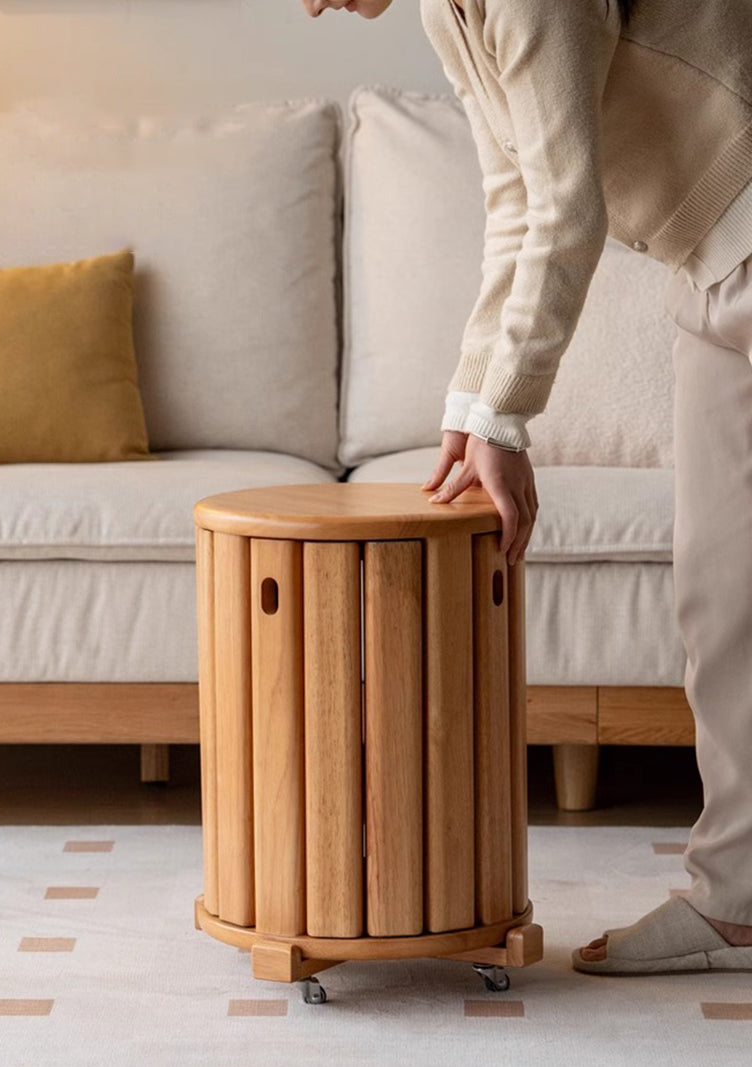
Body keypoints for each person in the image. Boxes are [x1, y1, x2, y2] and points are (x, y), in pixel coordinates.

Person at [302, 0, 752, 977]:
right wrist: (469, 411)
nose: (309, 6)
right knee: (720, 598)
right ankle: (737, 904)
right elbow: (512, 199)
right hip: (707, 270)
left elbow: (568, 204)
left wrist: (507, 419)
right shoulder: (444, 9)